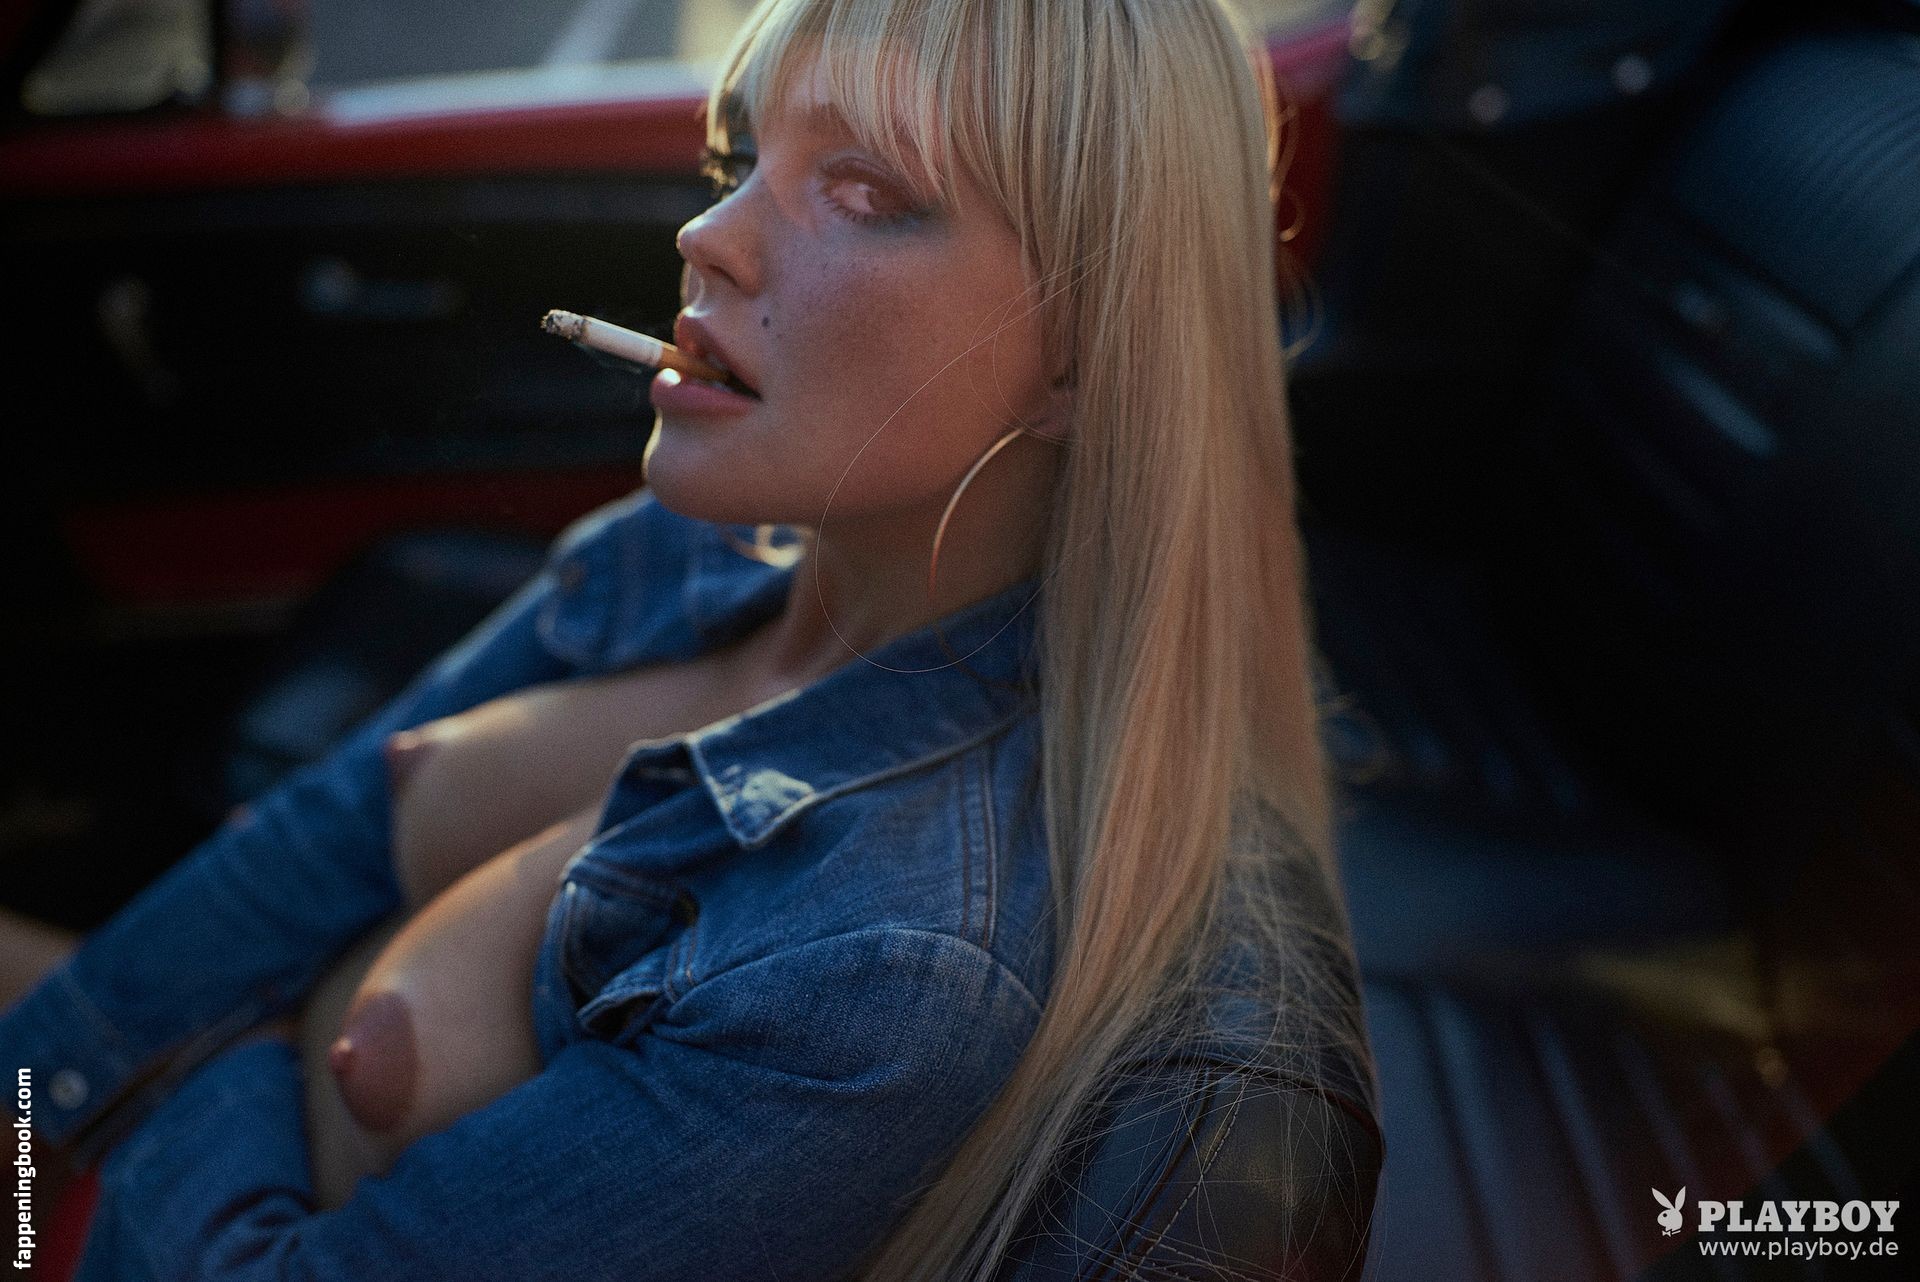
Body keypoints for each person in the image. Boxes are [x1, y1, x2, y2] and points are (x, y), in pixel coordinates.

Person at [0, 0, 1378, 1277]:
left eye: (863, 192)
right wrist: (53, 1103)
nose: (706, 235)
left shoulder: (887, 972)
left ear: (1084, 348)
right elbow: (166, 970)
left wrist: (181, 1067)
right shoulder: (677, 555)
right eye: (738, 160)